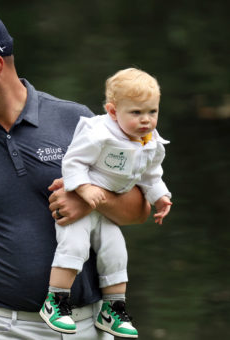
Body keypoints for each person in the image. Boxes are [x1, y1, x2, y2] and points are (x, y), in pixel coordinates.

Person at [0, 7, 150, 340]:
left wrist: (93, 200)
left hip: (90, 326)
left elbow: (139, 209)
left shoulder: (76, 122)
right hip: (0, 328)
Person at [40, 68, 172, 338]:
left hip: (107, 211)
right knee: (73, 246)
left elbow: (150, 175)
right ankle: (55, 301)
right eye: (136, 113)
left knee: (116, 252)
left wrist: (160, 196)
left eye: (152, 112)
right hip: (79, 201)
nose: (146, 120)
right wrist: (85, 188)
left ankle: (112, 309)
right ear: (113, 112)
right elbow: (73, 162)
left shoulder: (150, 142)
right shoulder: (99, 132)